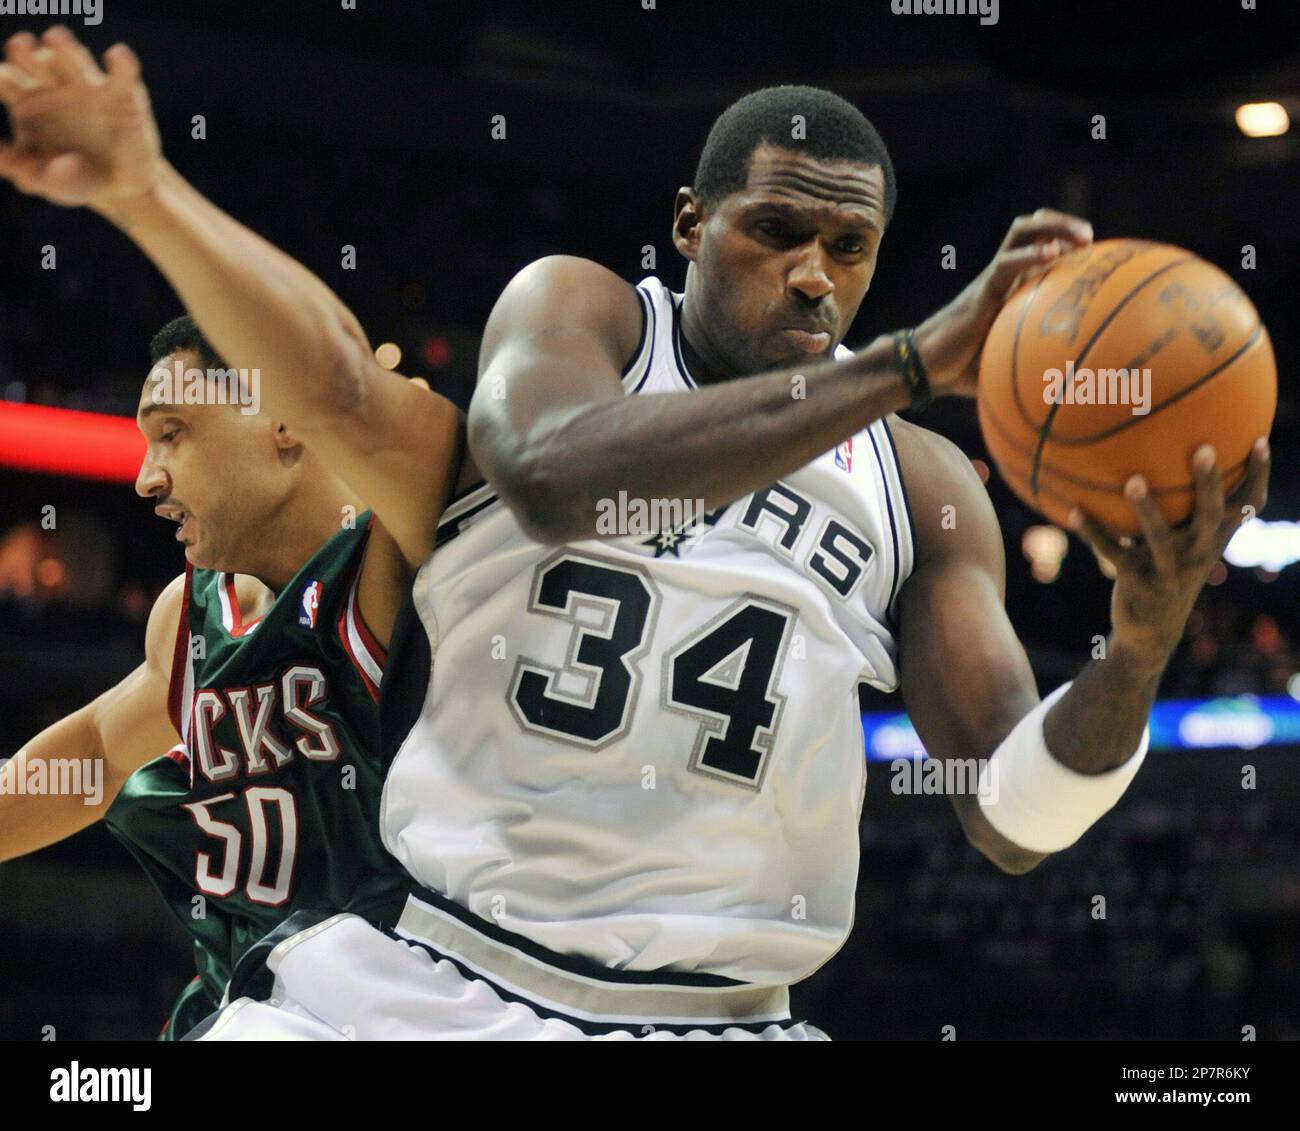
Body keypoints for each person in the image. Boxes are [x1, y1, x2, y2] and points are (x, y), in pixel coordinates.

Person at [0, 29, 1268, 1040]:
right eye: (775, 232)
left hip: (719, 1020)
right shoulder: (588, 320)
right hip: (437, 985)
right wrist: (143, 190)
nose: (814, 275)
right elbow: (550, 481)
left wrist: (1136, 655)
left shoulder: (921, 481)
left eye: (850, 244)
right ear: (687, 226)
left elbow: (1008, 816)